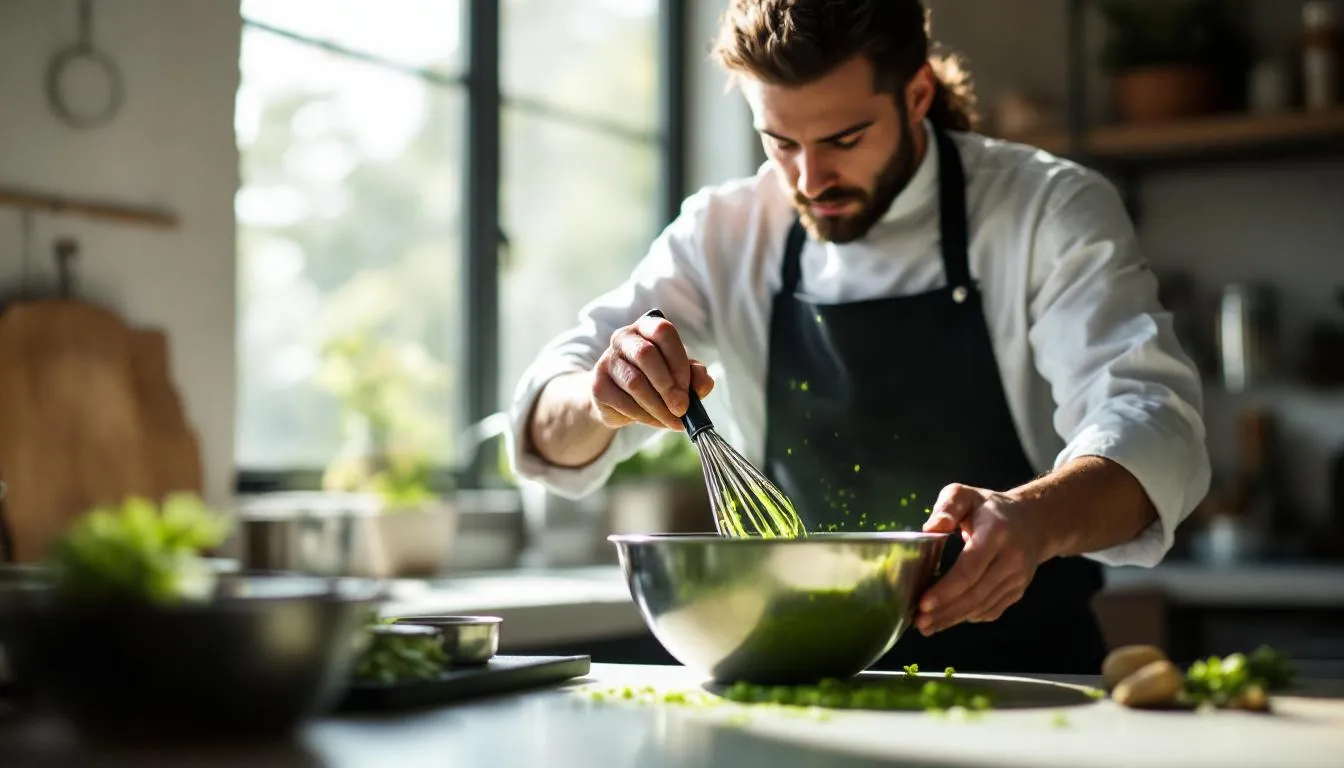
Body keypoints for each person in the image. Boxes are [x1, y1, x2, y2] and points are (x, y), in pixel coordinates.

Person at [504, 0, 1210, 675]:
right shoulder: (722, 232)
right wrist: (602, 397)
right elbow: (543, 422)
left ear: (917, 95)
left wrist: (1034, 520)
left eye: (844, 139)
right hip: (803, 675)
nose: (810, 180)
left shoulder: (1045, 209)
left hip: (1028, 679)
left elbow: (1152, 421)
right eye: (780, 142)